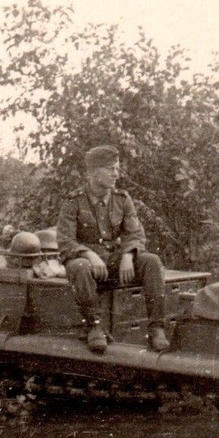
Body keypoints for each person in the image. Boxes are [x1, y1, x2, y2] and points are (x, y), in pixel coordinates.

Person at [57, 145, 169, 354]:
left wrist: (128, 255)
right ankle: (94, 327)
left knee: (152, 261)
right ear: (93, 172)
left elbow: (135, 234)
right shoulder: (73, 202)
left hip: (114, 260)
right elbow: (65, 241)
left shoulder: (122, 199)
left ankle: (156, 328)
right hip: (88, 265)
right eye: (110, 169)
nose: (116, 174)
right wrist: (89, 254)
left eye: (117, 169)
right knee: (79, 266)